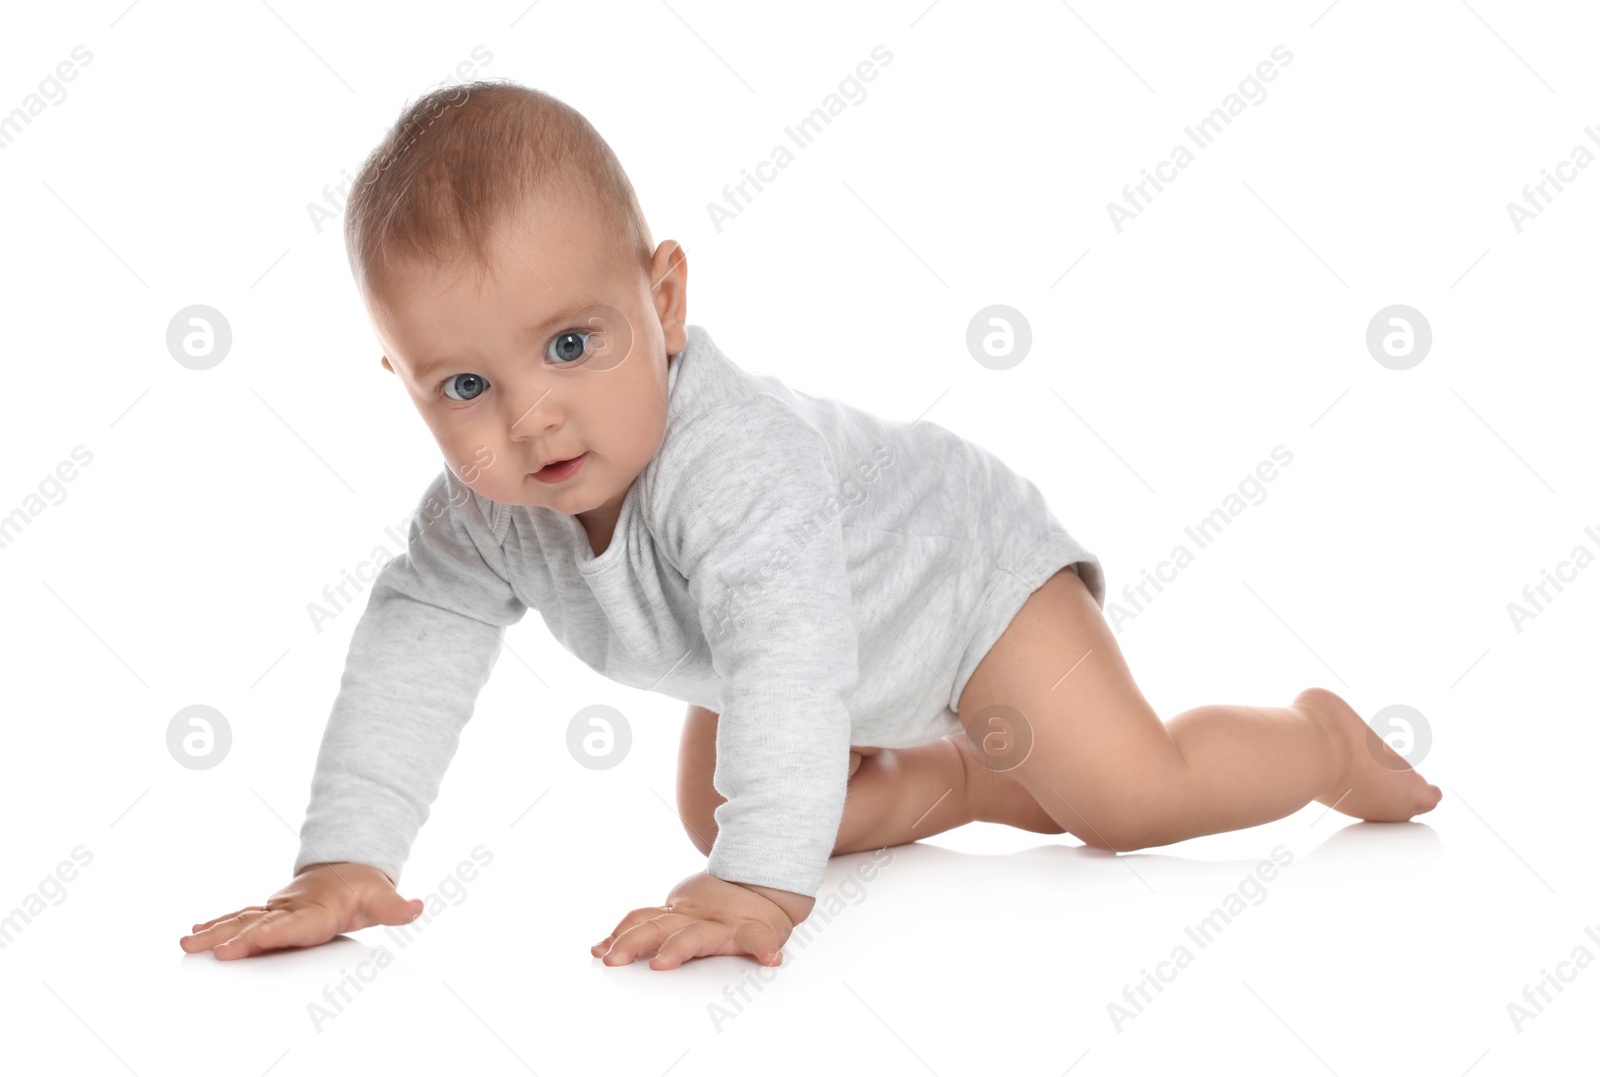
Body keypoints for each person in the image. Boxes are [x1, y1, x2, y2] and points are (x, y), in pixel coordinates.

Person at [180, 80, 1440, 972]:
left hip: (959, 589)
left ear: (663, 299)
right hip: (802, 653)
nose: (532, 419)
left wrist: (759, 890)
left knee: (1124, 799)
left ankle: (1316, 747)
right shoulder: (482, 519)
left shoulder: (738, 468)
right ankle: (970, 777)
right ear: (402, 386)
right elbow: (412, 655)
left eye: (572, 343)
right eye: (465, 385)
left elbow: (785, 651)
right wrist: (342, 859)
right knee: (733, 809)